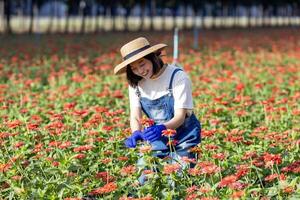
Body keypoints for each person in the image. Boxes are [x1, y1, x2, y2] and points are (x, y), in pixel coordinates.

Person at [114, 37, 201, 183]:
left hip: (183, 137)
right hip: (156, 138)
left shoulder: (177, 77)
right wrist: (136, 132)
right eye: (134, 69)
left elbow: (180, 116)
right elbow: (135, 116)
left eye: (142, 64)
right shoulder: (135, 84)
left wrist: (162, 128)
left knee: (178, 181)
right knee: (143, 177)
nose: (140, 71)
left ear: (153, 57)